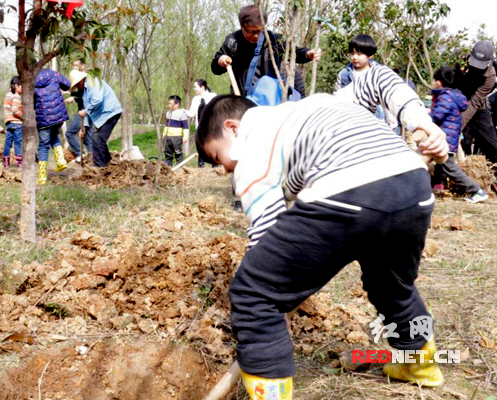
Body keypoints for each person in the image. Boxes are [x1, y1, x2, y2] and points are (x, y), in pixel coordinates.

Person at [195, 67, 448, 399]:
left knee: (253, 292)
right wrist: (422, 122)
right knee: (391, 285)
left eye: (218, 156)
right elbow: (378, 79)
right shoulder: (322, 102)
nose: (226, 169)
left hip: (348, 185)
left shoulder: (251, 146)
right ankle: (419, 364)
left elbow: (264, 233)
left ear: (233, 128)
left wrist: (275, 301)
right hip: (412, 185)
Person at [211, 4, 320, 98]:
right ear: (242, 27)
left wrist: (308, 54)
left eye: (259, 31)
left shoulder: (273, 40)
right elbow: (215, 68)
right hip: (243, 98)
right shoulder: (232, 41)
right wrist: (221, 60)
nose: (256, 36)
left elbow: (294, 52)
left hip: (269, 98)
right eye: (251, 32)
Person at [430, 67, 488, 203]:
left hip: (445, 138)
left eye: (434, 80)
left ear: (439, 82)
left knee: (449, 167)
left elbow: (436, 116)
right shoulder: (454, 96)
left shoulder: (445, 97)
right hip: (448, 137)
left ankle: (476, 190)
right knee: (441, 164)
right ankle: (434, 187)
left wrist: (425, 114)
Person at [456, 40, 497, 182]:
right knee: (463, 144)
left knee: (493, 146)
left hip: (479, 111)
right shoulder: (461, 59)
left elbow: (474, 103)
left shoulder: (491, 77)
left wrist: (459, 125)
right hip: (459, 105)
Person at [68, 69, 122, 168]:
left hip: (111, 112)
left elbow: (97, 99)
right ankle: (107, 163)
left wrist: (85, 111)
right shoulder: (85, 92)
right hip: (103, 116)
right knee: (96, 138)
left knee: (98, 138)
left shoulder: (92, 82)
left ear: (80, 81)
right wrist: (83, 129)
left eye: (76, 85)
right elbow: (88, 113)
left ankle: (100, 167)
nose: (76, 87)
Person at [334, 34, 387, 123]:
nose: (354, 57)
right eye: (352, 53)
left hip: (375, 120)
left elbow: (386, 100)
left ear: (371, 55)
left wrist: (391, 121)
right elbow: (336, 96)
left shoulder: (378, 73)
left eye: (359, 54)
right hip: (350, 119)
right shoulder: (344, 75)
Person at [35, 68, 70, 185]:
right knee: (54, 136)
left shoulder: (30, 79)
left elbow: (28, 99)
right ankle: (61, 161)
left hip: (43, 116)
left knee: (43, 145)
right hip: (58, 114)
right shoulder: (53, 73)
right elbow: (67, 84)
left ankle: (42, 176)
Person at [65, 61, 93, 162]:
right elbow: (81, 93)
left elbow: (87, 98)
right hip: (87, 112)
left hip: (84, 112)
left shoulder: (87, 81)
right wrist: (69, 92)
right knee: (88, 139)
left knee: (69, 133)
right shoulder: (82, 81)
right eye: (73, 65)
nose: (74, 66)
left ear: (83, 65)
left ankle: (81, 153)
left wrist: (74, 99)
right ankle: (91, 159)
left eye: (76, 65)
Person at [185, 79, 217, 167]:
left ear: (202, 87)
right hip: (199, 126)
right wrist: (183, 111)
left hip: (211, 126)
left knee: (212, 144)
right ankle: (201, 164)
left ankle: (214, 163)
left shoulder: (213, 96)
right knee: (200, 145)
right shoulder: (195, 99)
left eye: (195, 87)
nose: (194, 89)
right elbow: (191, 113)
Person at [163, 95, 189, 166]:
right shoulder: (168, 113)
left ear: (177, 104)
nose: (169, 105)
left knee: (178, 153)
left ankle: (180, 167)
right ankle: (167, 167)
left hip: (176, 138)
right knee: (168, 153)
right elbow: (166, 125)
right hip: (168, 137)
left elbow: (186, 126)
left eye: (171, 104)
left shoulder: (182, 113)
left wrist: (185, 136)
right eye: (169, 104)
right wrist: (164, 135)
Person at [3, 76, 23, 168]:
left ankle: (6, 162)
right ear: (16, 86)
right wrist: (23, 118)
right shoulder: (16, 96)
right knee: (18, 142)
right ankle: (19, 162)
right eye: (21, 86)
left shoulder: (8, 94)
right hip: (17, 122)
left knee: (8, 143)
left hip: (9, 122)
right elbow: (15, 110)